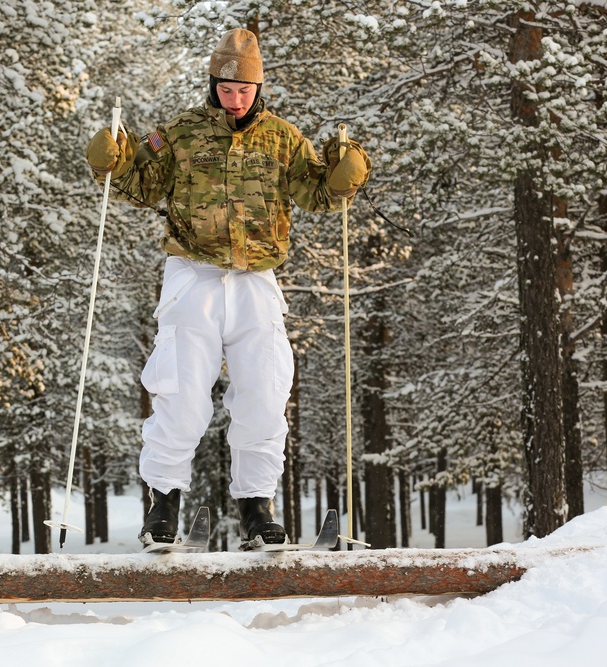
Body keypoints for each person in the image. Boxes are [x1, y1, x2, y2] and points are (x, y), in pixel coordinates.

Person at [85, 28, 370, 547]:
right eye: (225, 88)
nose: (234, 99)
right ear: (212, 83)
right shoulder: (181, 132)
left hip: (257, 278)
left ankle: (257, 507)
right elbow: (140, 186)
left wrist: (342, 176)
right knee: (182, 390)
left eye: (244, 91)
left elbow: (318, 195)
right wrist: (115, 160)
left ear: (258, 89)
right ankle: (163, 504)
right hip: (193, 272)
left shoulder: (283, 138)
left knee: (264, 391)